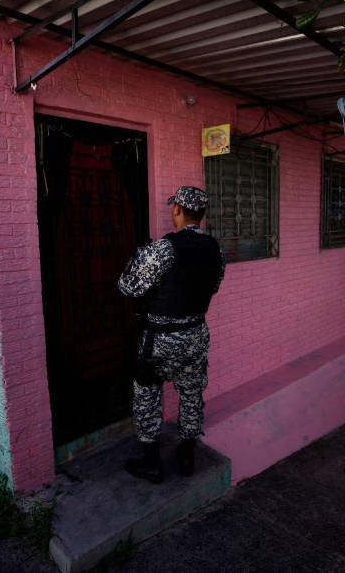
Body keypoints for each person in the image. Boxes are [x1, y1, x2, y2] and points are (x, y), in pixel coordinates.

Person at [118, 186, 225, 484]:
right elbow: (214, 287)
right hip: (196, 335)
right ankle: (187, 455)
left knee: (147, 394)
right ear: (201, 214)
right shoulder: (215, 249)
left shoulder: (163, 249)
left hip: (161, 340)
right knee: (191, 394)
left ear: (177, 209)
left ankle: (151, 462)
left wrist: (135, 260)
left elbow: (128, 287)